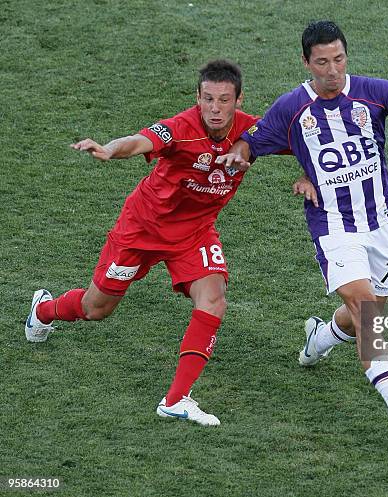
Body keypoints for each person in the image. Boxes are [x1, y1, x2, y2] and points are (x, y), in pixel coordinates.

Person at [25, 59, 305, 427]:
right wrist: (111, 149)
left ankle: (175, 400)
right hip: (142, 230)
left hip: (195, 232)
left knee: (214, 298)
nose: (215, 109)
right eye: (208, 99)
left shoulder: (252, 131)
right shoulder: (181, 129)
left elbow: (305, 143)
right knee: (96, 309)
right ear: (198, 97)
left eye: (224, 100)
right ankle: (44, 310)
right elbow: (141, 140)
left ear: (238, 100)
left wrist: (307, 174)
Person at [216, 21, 388, 439]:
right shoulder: (292, 107)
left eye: (339, 59)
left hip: (380, 223)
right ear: (306, 62)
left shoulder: (371, 90)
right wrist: (239, 154)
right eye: (322, 62)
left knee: (366, 313)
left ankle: (319, 339)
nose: (332, 69)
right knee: (367, 313)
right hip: (333, 226)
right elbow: (251, 140)